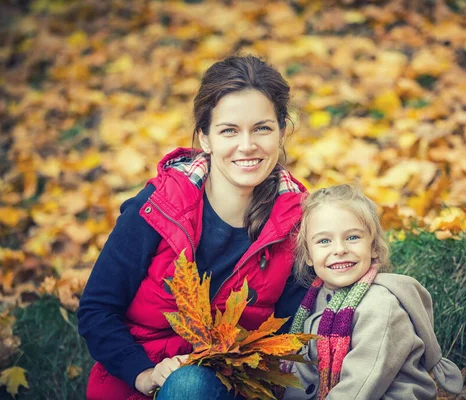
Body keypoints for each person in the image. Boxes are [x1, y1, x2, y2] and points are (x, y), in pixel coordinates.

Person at [77, 55, 309, 400]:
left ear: (282, 131)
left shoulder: (297, 224)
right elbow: (97, 308)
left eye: (262, 128)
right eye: (229, 130)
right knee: (187, 384)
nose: (247, 145)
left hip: (235, 384)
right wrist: (142, 372)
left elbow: (294, 328)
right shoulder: (158, 207)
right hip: (138, 382)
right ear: (205, 138)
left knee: (193, 384)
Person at [282, 184, 464, 400]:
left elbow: (360, 387)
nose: (339, 249)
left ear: (374, 247)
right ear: (309, 255)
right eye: (324, 241)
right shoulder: (314, 299)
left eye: (352, 237)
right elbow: (302, 371)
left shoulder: (381, 306)